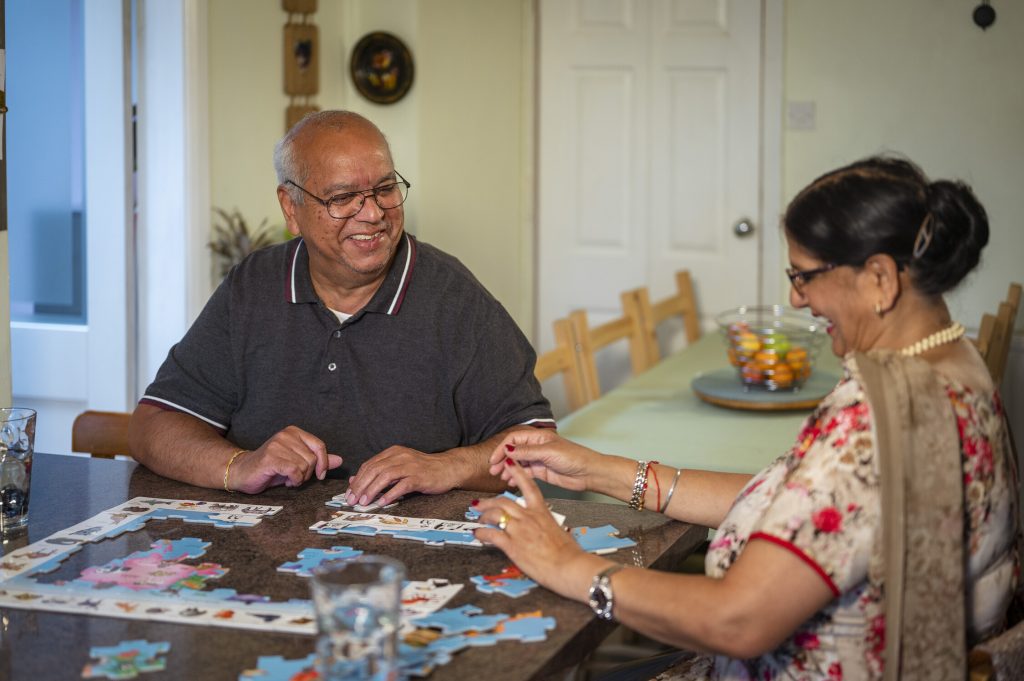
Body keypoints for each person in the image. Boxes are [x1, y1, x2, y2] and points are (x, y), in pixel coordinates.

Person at [472, 156, 1019, 680]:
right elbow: (807, 504)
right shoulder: (951, 364)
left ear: (879, 278)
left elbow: (737, 620)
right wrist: (602, 472)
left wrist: (568, 565)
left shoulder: (875, 421)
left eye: (805, 276)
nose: (796, 297)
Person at [129, 110, 554, 501]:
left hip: (411, 564)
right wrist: (238, 466)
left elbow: (539, 446)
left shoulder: (456, 299)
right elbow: (154, 426)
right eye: (342, 197)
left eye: (385, 189)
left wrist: (446, 466)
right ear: (290, 208)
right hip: (269, 555)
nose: (372, 213)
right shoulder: (251, 286)